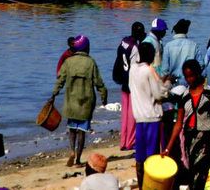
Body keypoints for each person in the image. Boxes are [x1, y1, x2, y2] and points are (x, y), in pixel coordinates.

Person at [162, 59, 210, 190]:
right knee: (192, 171)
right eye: (187, 77)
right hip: (190, 138)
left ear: (198, 74)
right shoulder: (184, 97)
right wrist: (168, 148)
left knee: (203, 171)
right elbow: (179, 124)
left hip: (206, 138)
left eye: (192, 76)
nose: (189, 79)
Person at [53, 34, 108, 168]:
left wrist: (54, 94)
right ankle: (77, 159)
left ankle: (71, 150)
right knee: (81, 132)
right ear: (86, 48)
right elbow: (99, 82)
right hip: (86, 103)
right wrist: (104, 96)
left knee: (72, 129)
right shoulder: (91, 62)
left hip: (71, 102)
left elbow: (60, 80)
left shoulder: (68, 62)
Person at [130, 42, 167, 187]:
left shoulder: (133, 69)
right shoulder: (148, 70)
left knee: (140, 157)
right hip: (152, 117)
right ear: (151, 55)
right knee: (153, 157)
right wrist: (166, 84)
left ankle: (141, 186)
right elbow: (158, 94)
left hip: (139, 117)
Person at [114, 22, 145, 151]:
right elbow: (135, 66)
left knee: (125, 113)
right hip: (132, 82)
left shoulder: (124, 42)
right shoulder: (135, 47)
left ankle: (123, 141)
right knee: (132, 113)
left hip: (123, 80)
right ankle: (130, 142)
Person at [161, 19, 203, 86]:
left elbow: (164, 70)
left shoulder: (168, 46)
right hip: (189, 84)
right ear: (186, 31)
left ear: (175, 31)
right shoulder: (194, 45)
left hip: (173, 84)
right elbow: (201, 65)